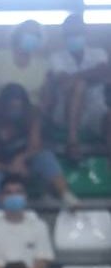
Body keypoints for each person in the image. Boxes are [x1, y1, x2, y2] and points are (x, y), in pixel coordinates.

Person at [0, 86, 76, 210]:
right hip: (0, 167)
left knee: (46, 157)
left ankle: (67, 196)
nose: (15, 111)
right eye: (12, 107)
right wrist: (10, 168)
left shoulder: (32, 115)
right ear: (4, 106)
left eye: (19, 107)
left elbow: (35, 146)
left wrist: (21, 159)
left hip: (26, 164)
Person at [47, 15, 110, 161]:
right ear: (64, 36)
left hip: (96, 110)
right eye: (70, 34)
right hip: (66, 112)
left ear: (85, 33)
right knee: (79, 85)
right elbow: (62, 80)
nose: (74, 37)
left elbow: (104, 71)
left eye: (77, 33)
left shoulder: (99, 53)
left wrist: (74, 77)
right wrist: (90, 75)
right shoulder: (56, 57)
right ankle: (72, 140)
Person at [0, 19, 50, 105]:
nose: (32, 37)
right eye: (28, 33)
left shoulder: (43, 65)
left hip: (30, 115)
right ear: (17, 35)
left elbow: (47, 98)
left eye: (36, 35)